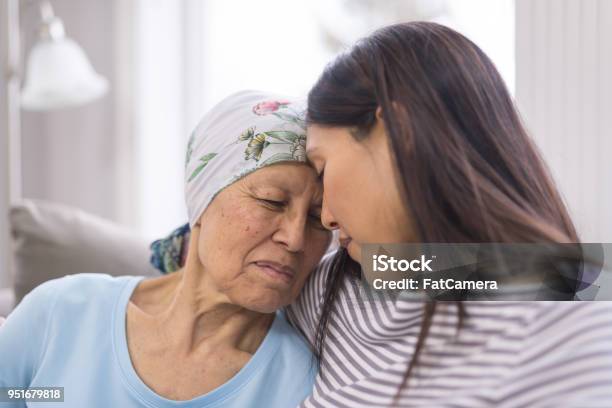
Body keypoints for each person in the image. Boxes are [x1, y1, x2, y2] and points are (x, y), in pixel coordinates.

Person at [154, 23, 612, 407]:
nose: (327, 220)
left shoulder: (568, 326)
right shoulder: (342, 284)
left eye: (323, 167)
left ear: (398, 134)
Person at [0, 91, 331, 407]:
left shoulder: (302, 385)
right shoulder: (60, 315)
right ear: (203, 199)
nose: (296, 238)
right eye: (272, 202)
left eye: (318, 219)